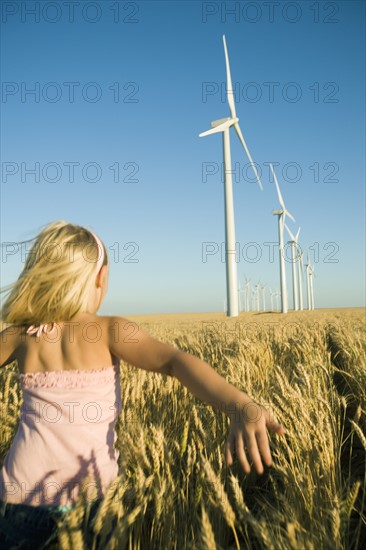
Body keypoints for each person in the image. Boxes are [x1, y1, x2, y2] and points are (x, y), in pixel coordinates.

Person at [0, 220, 286, 548]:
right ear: (99, 278)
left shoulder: (22, 335)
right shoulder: (109, 330)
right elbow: (174, 361)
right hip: (93, 499)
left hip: (20, 496)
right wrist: (239, 402)